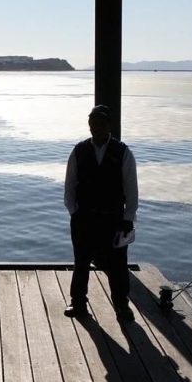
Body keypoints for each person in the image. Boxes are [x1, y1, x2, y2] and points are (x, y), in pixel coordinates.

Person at [63, 105, 138, 320]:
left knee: (118, 266)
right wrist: (74, 212)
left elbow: (131, 189)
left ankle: (122, 306)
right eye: (93, 122)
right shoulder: (78, 151)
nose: (96, 126)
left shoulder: (123, 152)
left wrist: (128, 218)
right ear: (89, 125)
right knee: (81, 263)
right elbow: (69, 187)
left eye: (101, 122)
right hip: (83, 218)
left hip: (113, 219)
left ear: (109, 124)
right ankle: (78, 303)